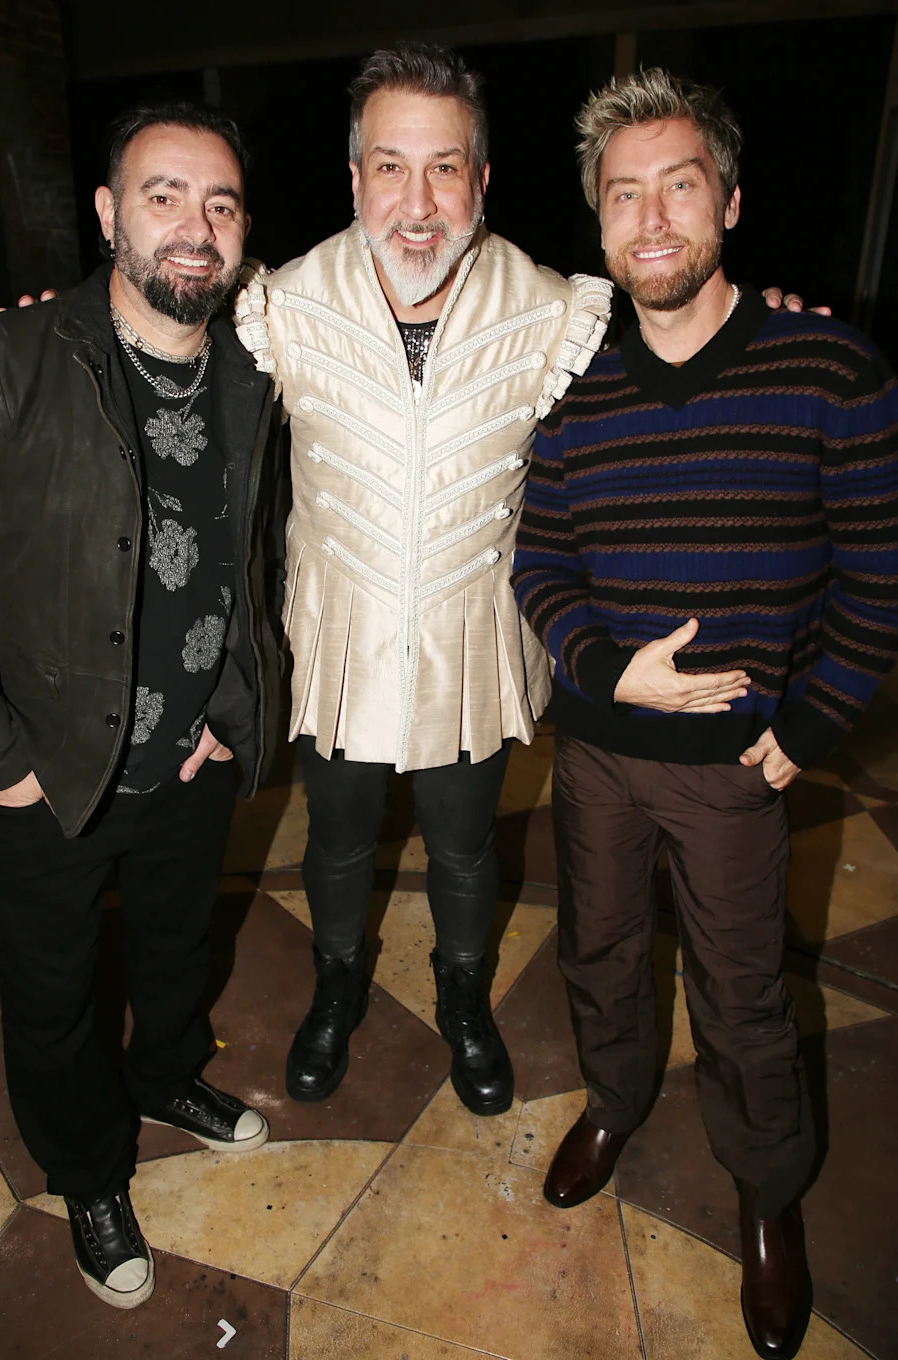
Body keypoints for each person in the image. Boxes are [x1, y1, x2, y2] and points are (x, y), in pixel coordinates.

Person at [511, 68, 898, 1360]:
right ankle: (616, 1101)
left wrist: (813, 722)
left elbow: (879, 574)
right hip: (602, 761)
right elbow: (540, 564)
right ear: (601, 223)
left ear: (728, 200)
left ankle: (767, 1195)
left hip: (740, 769)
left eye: (679, 185)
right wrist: (599, 666)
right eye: (624, 195)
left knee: (743, 998)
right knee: (601, 953)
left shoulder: (829, 368)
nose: (653, 218)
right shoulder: (576, 404)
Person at [0, 103, 285, 1309]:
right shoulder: (9, 357)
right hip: (50, 773)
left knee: (180, 946)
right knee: (51, 992)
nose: (194, 227)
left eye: (221, 204)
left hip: (189, 756)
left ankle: (169, 1072)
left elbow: (247, 556)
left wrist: (230, 707)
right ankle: (89, 1169)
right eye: (163, 195)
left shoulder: (250, 372)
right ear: (106, 213)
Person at [233, 42, 613, 1115]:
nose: (416, 201)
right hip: (339, 643)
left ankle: (463, 998)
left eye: (444, 167)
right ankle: (337, 985)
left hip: (469, 649)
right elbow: (156, 375)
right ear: (354, 177)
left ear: (481, 180)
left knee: (462, 850)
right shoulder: (284, 305)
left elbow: (662, 392)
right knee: (338, 841)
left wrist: (763, 327)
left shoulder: (550, 313)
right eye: (389, 166)